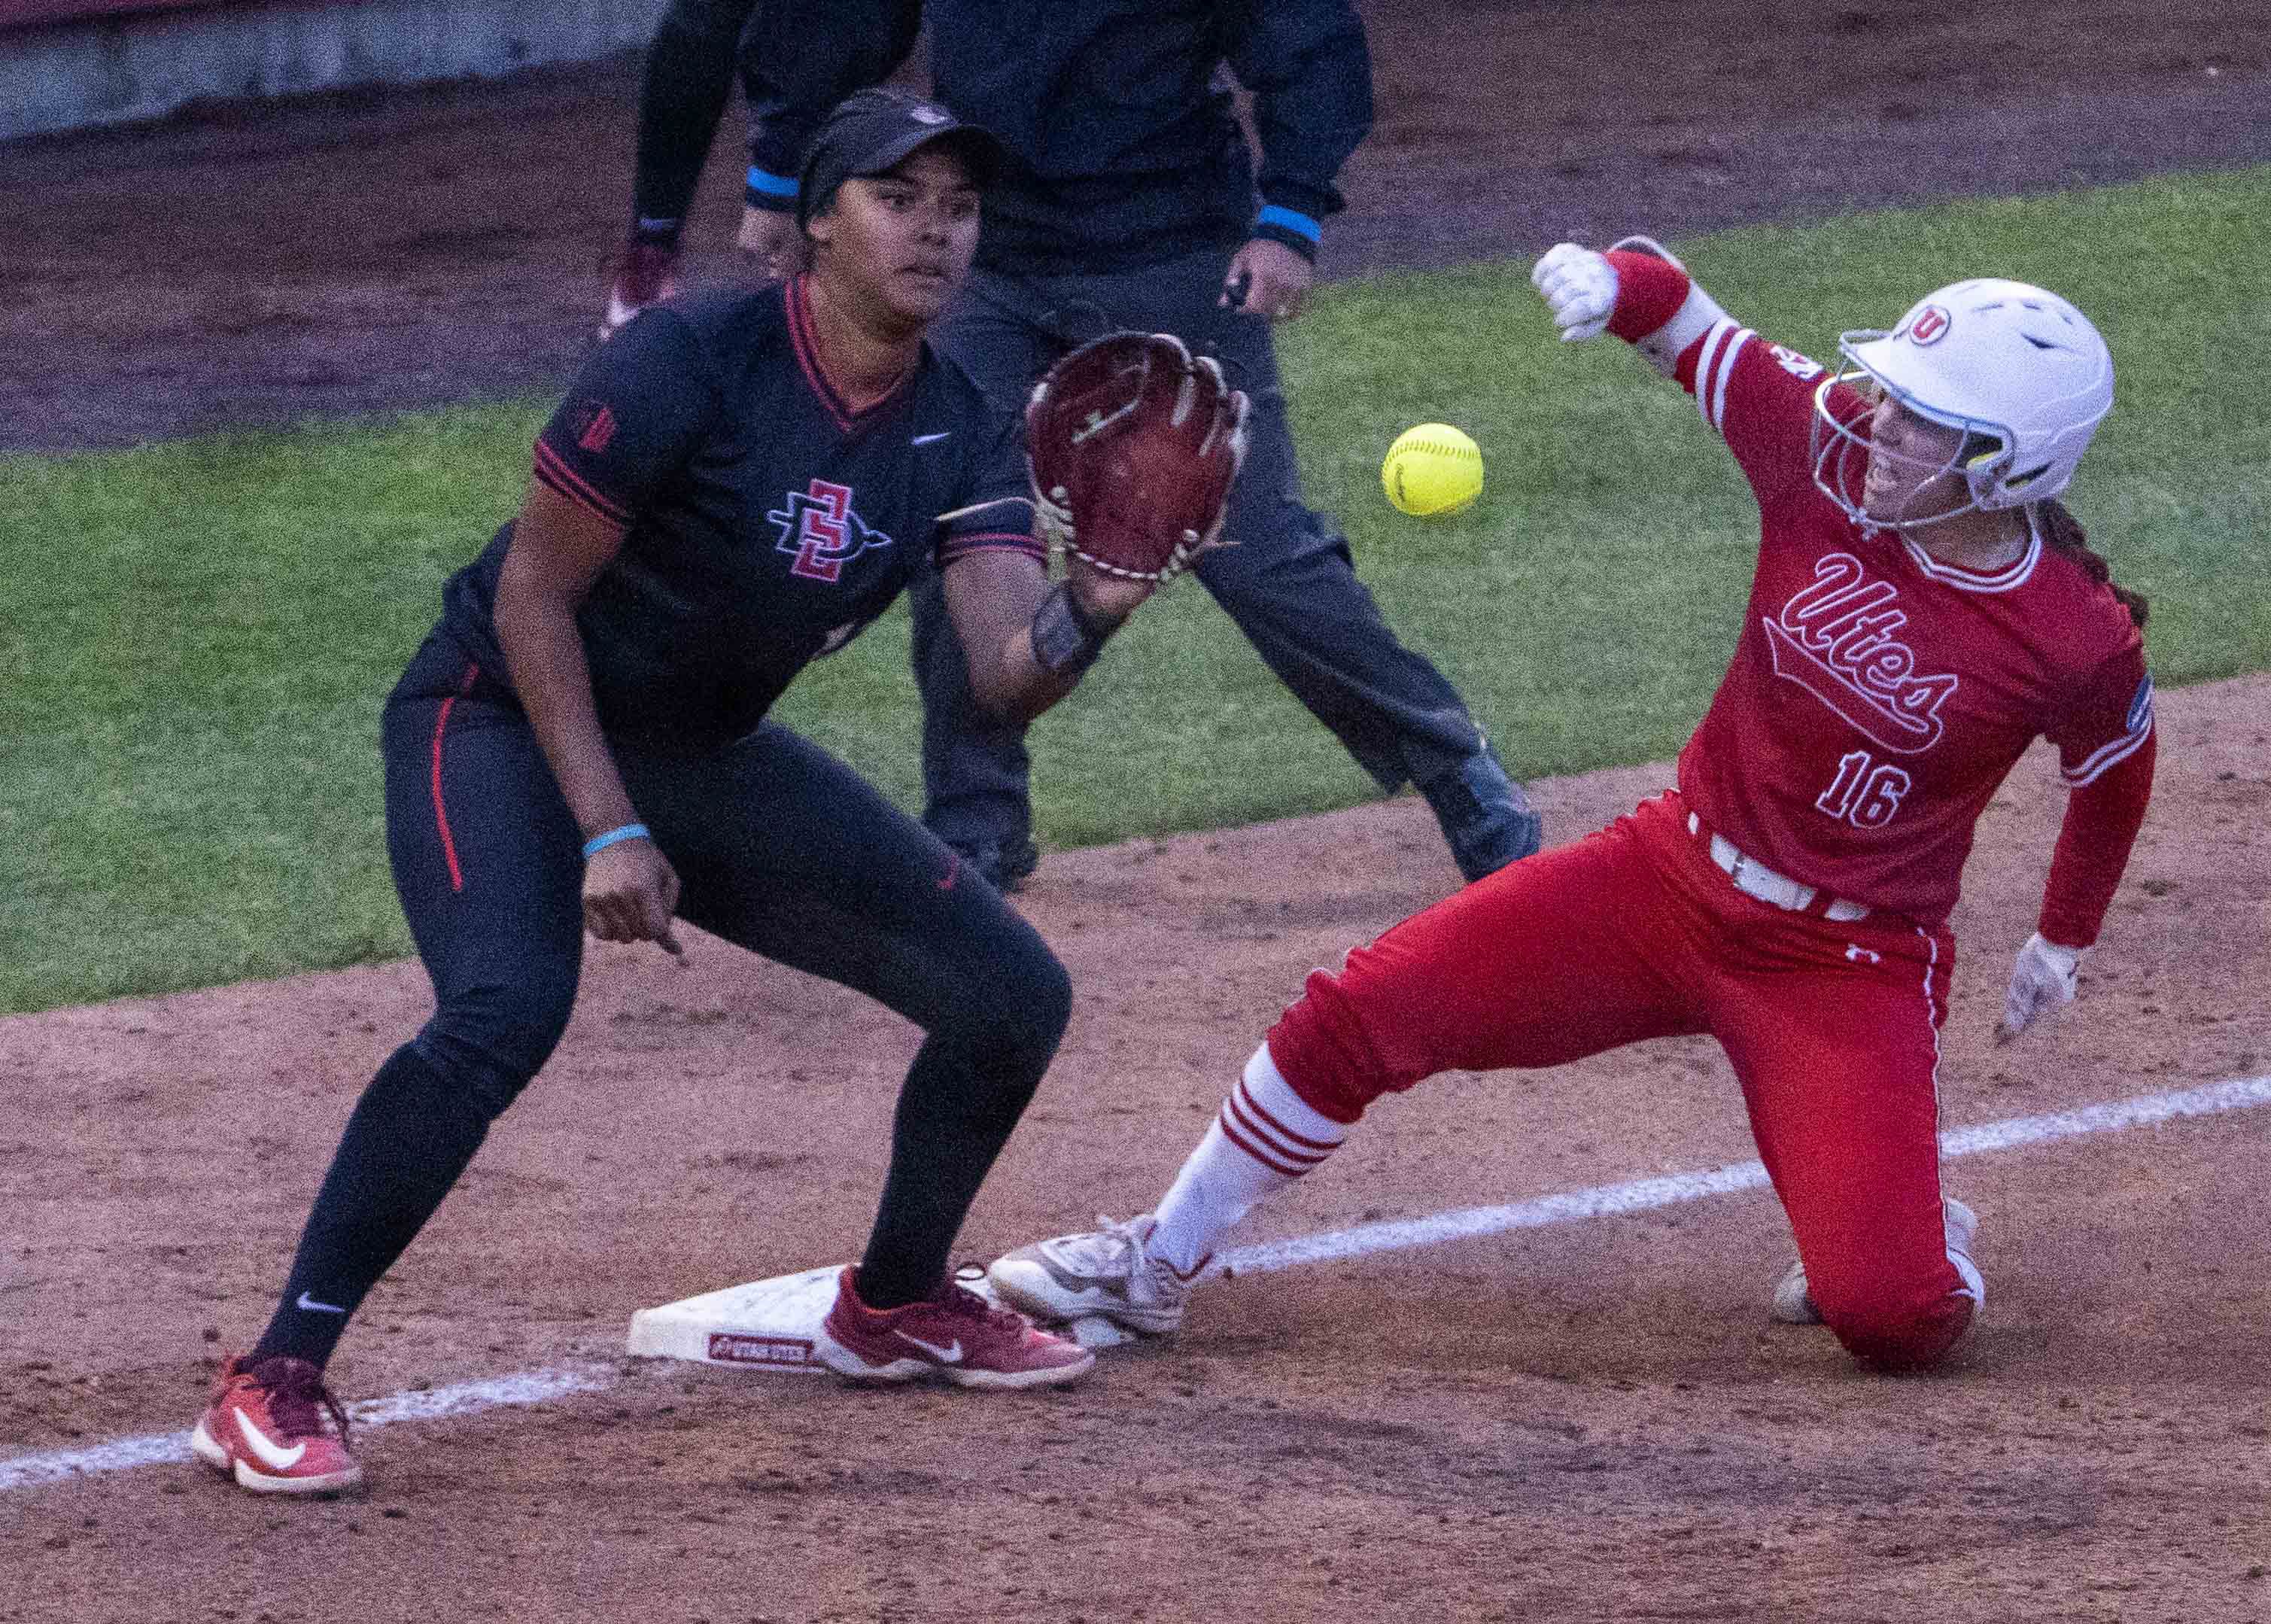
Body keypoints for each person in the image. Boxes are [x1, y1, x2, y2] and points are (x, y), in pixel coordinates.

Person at [190, 90, 1211, 1498]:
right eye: (896, 197)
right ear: (813, 225)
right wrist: (607, 825)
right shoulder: (688, 361)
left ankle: (895, 1300)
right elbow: (531, 595)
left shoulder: (959, 425)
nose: (935, 230)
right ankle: (276, 1369)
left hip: (696, 744)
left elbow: (997, 674)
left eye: (959, 206)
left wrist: (1096, 605)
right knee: (503, 1008)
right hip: (491, 712)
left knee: (1009, 994)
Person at [985, 239, 2158, 1374]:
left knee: (1890, 1319)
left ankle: (1915, 1225)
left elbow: (2112, 770)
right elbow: (1691, 327)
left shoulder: (2071, 636)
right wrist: (1611, 282)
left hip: (1843, 962)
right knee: (1361, 1008)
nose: (1884, 423)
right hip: (1667, 878)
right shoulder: (1828, 448)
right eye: (1891, 393)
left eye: (1925, 417)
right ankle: (1150, 1262)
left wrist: (2063, 933)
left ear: (2007, 462)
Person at [603, 0, 1543, 892]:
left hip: (1175, 252)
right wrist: (777, 173)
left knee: (1256, 556)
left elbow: (1305, 37)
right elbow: (836, 22)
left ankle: (1458, 771)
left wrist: (1290, 215)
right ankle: (977, 825)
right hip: (990, 259)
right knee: (960, 534)